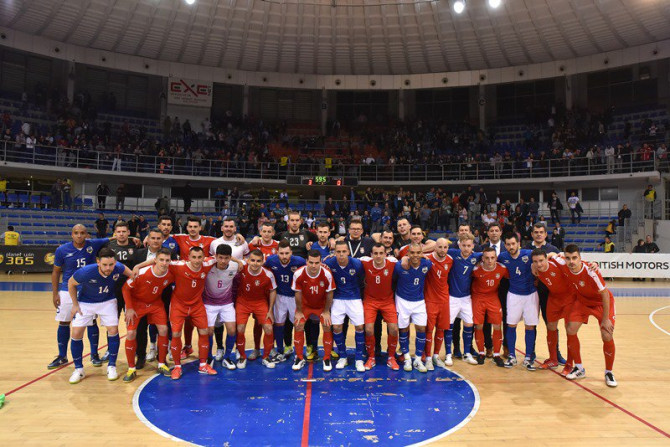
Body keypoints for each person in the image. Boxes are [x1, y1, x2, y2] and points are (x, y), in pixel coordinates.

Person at [136, 246, 217, 379]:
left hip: (197, 305)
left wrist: (238, 261)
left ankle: (203, 364)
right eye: (194, 257)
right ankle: (177, 367)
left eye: (199, 257)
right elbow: (156, 260)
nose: (197, 260)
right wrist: (138, 266)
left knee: (204, 331)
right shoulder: (178, 265)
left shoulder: (207, 263)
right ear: (188, 257)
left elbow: (221, 257)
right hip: (178, 305)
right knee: (176, 334)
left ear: (204, 257)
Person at [67, 248, 133, 384]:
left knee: (113, 330)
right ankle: (79, 369)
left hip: (107, 301)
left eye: (111, 265)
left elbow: (132, 275)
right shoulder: (85, 272)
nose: (108, 268)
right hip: (86, 302)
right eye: (105, 265)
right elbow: (71, 283)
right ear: (98, 262)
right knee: (76, 333)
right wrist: (75, 304)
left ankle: (112, 366)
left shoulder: (119, 267)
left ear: (115, 263)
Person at [555, 245, 617, 387]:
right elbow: (552, 255)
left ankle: (609, 372)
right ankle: (579, 368)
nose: (571, 261)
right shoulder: (564, 263)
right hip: (583, 301)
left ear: (580, 258)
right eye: (568, 258)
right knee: (571, 329)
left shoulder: (590, 271)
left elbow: (605, 294)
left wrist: (605, 319)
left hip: (601, 303)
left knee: (606, 335)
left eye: (574, 258)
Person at [48, 225, 109, 370]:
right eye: (76, 233)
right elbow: (56, 272)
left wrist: (134, 239)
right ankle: (62, 356)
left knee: (91, 322)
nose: (79, 235)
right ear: (72, 234)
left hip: (88, 289)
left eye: (82, 233)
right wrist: (55, 293)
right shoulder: (62, 250)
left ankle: (94, 354)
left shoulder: (92, 244)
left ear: (86, 235)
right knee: (64, 322)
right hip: (67, 289)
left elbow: (113, 238)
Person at [121, 248, 174, 382]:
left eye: (167, 260)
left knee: (164, 329)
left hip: (155, 303)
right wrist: (129, 308)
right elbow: (125, 289)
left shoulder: (171, 273)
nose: (164, 263)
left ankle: (161, 363)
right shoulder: (142, 273)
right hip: (137, 304)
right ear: (155, 260)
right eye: (161, 260)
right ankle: (131, 368)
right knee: (131, 333)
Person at [530, 249, 576, 374]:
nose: (539, 264)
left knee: (570, 330)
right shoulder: (535, 269)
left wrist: (593, 264)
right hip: (554, 298)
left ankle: (569, 364)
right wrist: (533, 266)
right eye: (535, 262)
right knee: (551, 326)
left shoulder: (558, 262)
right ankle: (553, 359)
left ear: (546, 259)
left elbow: (575, 263)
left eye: (541, 260)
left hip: (569, 298)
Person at [499, 233, 539, 371]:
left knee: (530, 326)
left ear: (518, 244)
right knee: (511, 325)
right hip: (513, 295)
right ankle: (511, 356)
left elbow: (546, 256)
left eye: (513, 244)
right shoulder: (502, 257)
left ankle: (528, 357)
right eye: (508, 244)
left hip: (531, 294)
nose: (511, 247)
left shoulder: (529, 254)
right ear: (505, 245)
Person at [324, 241, 366, 372]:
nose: (341, 254)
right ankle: (343, 356)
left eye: (343, 251)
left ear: (348, 252)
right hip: (337, 299)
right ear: (334, 252)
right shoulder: (329, 263)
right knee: (336, 327)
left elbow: (362, 281)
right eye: (338, 252)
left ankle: (359, 358)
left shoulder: (357, 264)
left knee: (360, 327)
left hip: (354, 298)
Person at [291, 250, 336, 371]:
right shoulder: (298, 273)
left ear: (321, 262)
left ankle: (326, 358)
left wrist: (326, 311)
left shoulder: (327, 274)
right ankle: (299, 357)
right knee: (298, 325)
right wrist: (299, 311)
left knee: (327, 325)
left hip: (321, 306)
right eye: (311, 262)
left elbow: (330, 293)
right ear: (306, 261)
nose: (313, 266)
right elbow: (297, 293)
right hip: (305, 306)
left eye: (316, 263)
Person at [233, 249, 277, 369]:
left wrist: (270, 310)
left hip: (260, 303)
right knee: (240, 328)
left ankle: (266, 357)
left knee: (268, 328)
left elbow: (273, 290)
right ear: (247, 260)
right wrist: (237, 261)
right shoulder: (242, 267)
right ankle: (242, 356)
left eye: (258, 261)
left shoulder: (268, 274)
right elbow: (227, 257)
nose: (255, 263)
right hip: (243, 302)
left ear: (263, 261)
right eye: (252, 260)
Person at [359, 244, 400, 371]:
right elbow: (348, 260)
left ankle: (391, 357)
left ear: (385, 254)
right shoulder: (364, 262)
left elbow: (407, 260)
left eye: (381, 253)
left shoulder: (393, 262)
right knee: (369, 330)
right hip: (370, 301)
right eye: (375, 253)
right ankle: (371, 358)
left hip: (387, 301)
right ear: (371, 255)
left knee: (394, 329)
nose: (378, 256)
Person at [445, 233, 483, 366]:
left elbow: (491, 255)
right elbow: (437, 248)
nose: (466, 248)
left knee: (469, 324)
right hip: (452, 297)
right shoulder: (452, 253)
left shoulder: (476, 256)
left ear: (473, 246)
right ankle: (448, 354)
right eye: (464, 245)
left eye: (469, 246)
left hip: (466, 298)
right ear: (459, 245)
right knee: (449, 325)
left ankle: (467, 353)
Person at [264, 241, 306, 361]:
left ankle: (299, 353)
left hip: (295, 296)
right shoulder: (271, 260)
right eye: (281, 253)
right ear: (277, 252)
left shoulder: (299, 261)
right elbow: (263, 270)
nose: (284, 256)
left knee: (298, 325)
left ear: (291, 253)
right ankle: (280, 350)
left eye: (287, 253)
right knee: (279, 324)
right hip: (279, 296)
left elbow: (309, 271)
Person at [203, 244, 243, 369]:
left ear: (230, 258)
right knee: (209, 331)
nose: (223, 261)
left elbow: (251, 262)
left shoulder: (235, 266)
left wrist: (238, 261)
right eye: (220, 257)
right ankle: (209, 357)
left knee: (232, 330)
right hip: (209, 303)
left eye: (226, 258)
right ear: (215, 256)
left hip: (226, 303)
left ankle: (227, 357)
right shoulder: (207, 264)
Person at [394, 243, 432, 372]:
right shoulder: (400, 266)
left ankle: (417, 359)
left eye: (418, 252)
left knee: (421, 328)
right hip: (402, 300)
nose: (415, 255)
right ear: (408, 254)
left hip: (419, 301)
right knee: (403, 329)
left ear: (422, 253)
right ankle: (406, 358)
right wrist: (403, 259)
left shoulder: (427, 264)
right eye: (412, 252)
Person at [471, 247, 508, 367]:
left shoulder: (502, 269)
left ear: (496, 258)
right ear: (482, 258)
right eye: (487, 258)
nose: (490, 260)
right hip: (478, 298)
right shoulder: (476, 270)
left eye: (492, 257)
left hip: (493, 297)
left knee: (497, 325)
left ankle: (496, 354)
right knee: (479, 325)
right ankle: (481, 352)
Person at [421, 238, 453, 371]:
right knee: (429, 329)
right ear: (435, 247)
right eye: (440, 247)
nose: (442, 250)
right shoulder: (427, 259)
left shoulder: (450, 260)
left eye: (445, 247)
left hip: (444, 300)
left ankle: (435, 355)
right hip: (430, 300)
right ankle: (428, 358)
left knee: (441, 329)